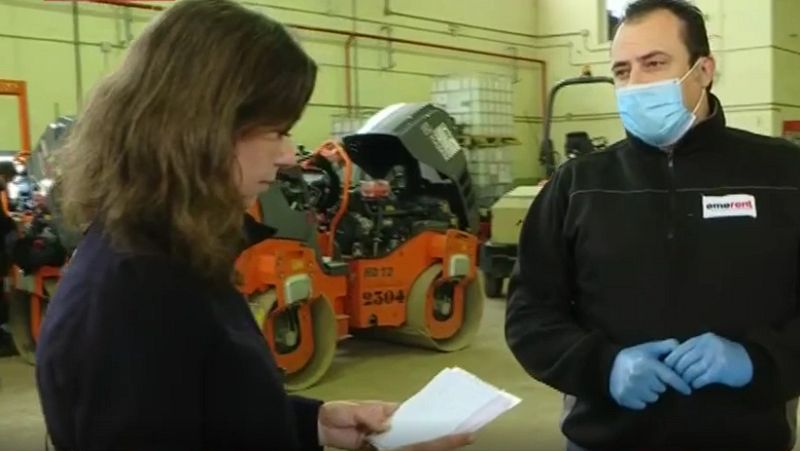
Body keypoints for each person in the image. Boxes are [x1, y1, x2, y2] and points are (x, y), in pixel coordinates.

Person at [34, 1, 475, 450]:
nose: (288, 156)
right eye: (274, 131)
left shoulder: (174, 253)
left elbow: (209, 408)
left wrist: (316, 423)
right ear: (201, 127)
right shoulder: (137, 294)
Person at [505, 0, 800, 450]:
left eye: (654, 64)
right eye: (622, 71)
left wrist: (758, 361)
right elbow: (530, 313)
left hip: (745, 437)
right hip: (605, 439)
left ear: (703, 70)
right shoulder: (579, 185)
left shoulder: (783, 174)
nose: (635, 84)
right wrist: (604, 367)